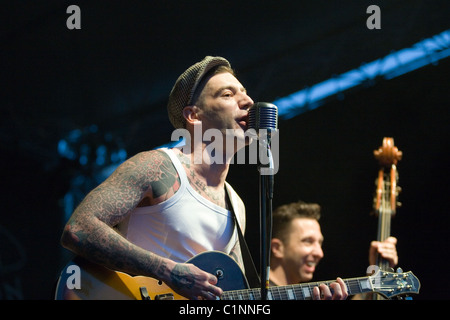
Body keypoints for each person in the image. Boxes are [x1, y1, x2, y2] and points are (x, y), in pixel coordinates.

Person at [60, 56, 347, 300]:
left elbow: (236, 297)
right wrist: (168, 271)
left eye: (245, 93)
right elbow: (79, 229)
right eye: (227, 94)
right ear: (194, 116)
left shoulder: (236, 204)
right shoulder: (157, 166)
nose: (247, 101)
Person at [269, 200, 398, 300]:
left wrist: (375, 274)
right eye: (308, 241)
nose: (319, 253)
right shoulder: (252, 290)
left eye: (320, 243)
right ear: (277, 248)